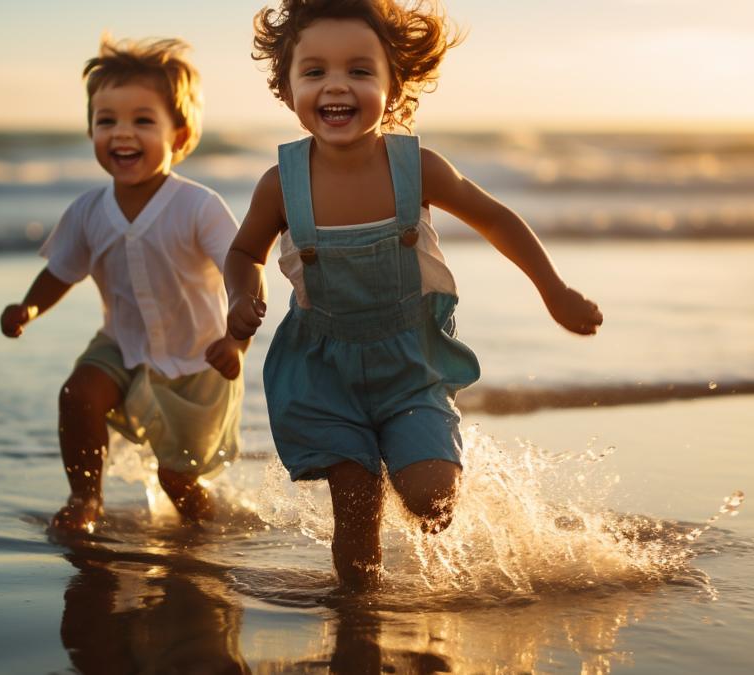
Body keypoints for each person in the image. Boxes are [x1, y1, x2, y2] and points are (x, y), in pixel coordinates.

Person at [216, 0, 602, 588]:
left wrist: (554, 290)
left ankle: (418, 473)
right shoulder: (281, 184)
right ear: (287, 87)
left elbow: (495, 219)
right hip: (324, 371)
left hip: (408, 362)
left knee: (431, 501)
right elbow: (245, 253)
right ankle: (359, 616)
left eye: (360, 71)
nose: (336, 86)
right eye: (314, 72)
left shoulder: (415, 167)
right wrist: (241, 302)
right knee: (355, 505)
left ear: (394, 87)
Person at [1, 35, 252, 533]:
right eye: (106, 120)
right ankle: (84, 500)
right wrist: (29, 308)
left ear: (179, 136)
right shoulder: (88, 211)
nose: (122, 133)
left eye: (142, 120)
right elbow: (60, 270)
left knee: (177, 479)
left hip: (198, 358)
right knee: (78, 393)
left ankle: (216, 535)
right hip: (122, 344)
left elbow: (241, 268)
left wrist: (237, 340)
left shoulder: (197, 206)